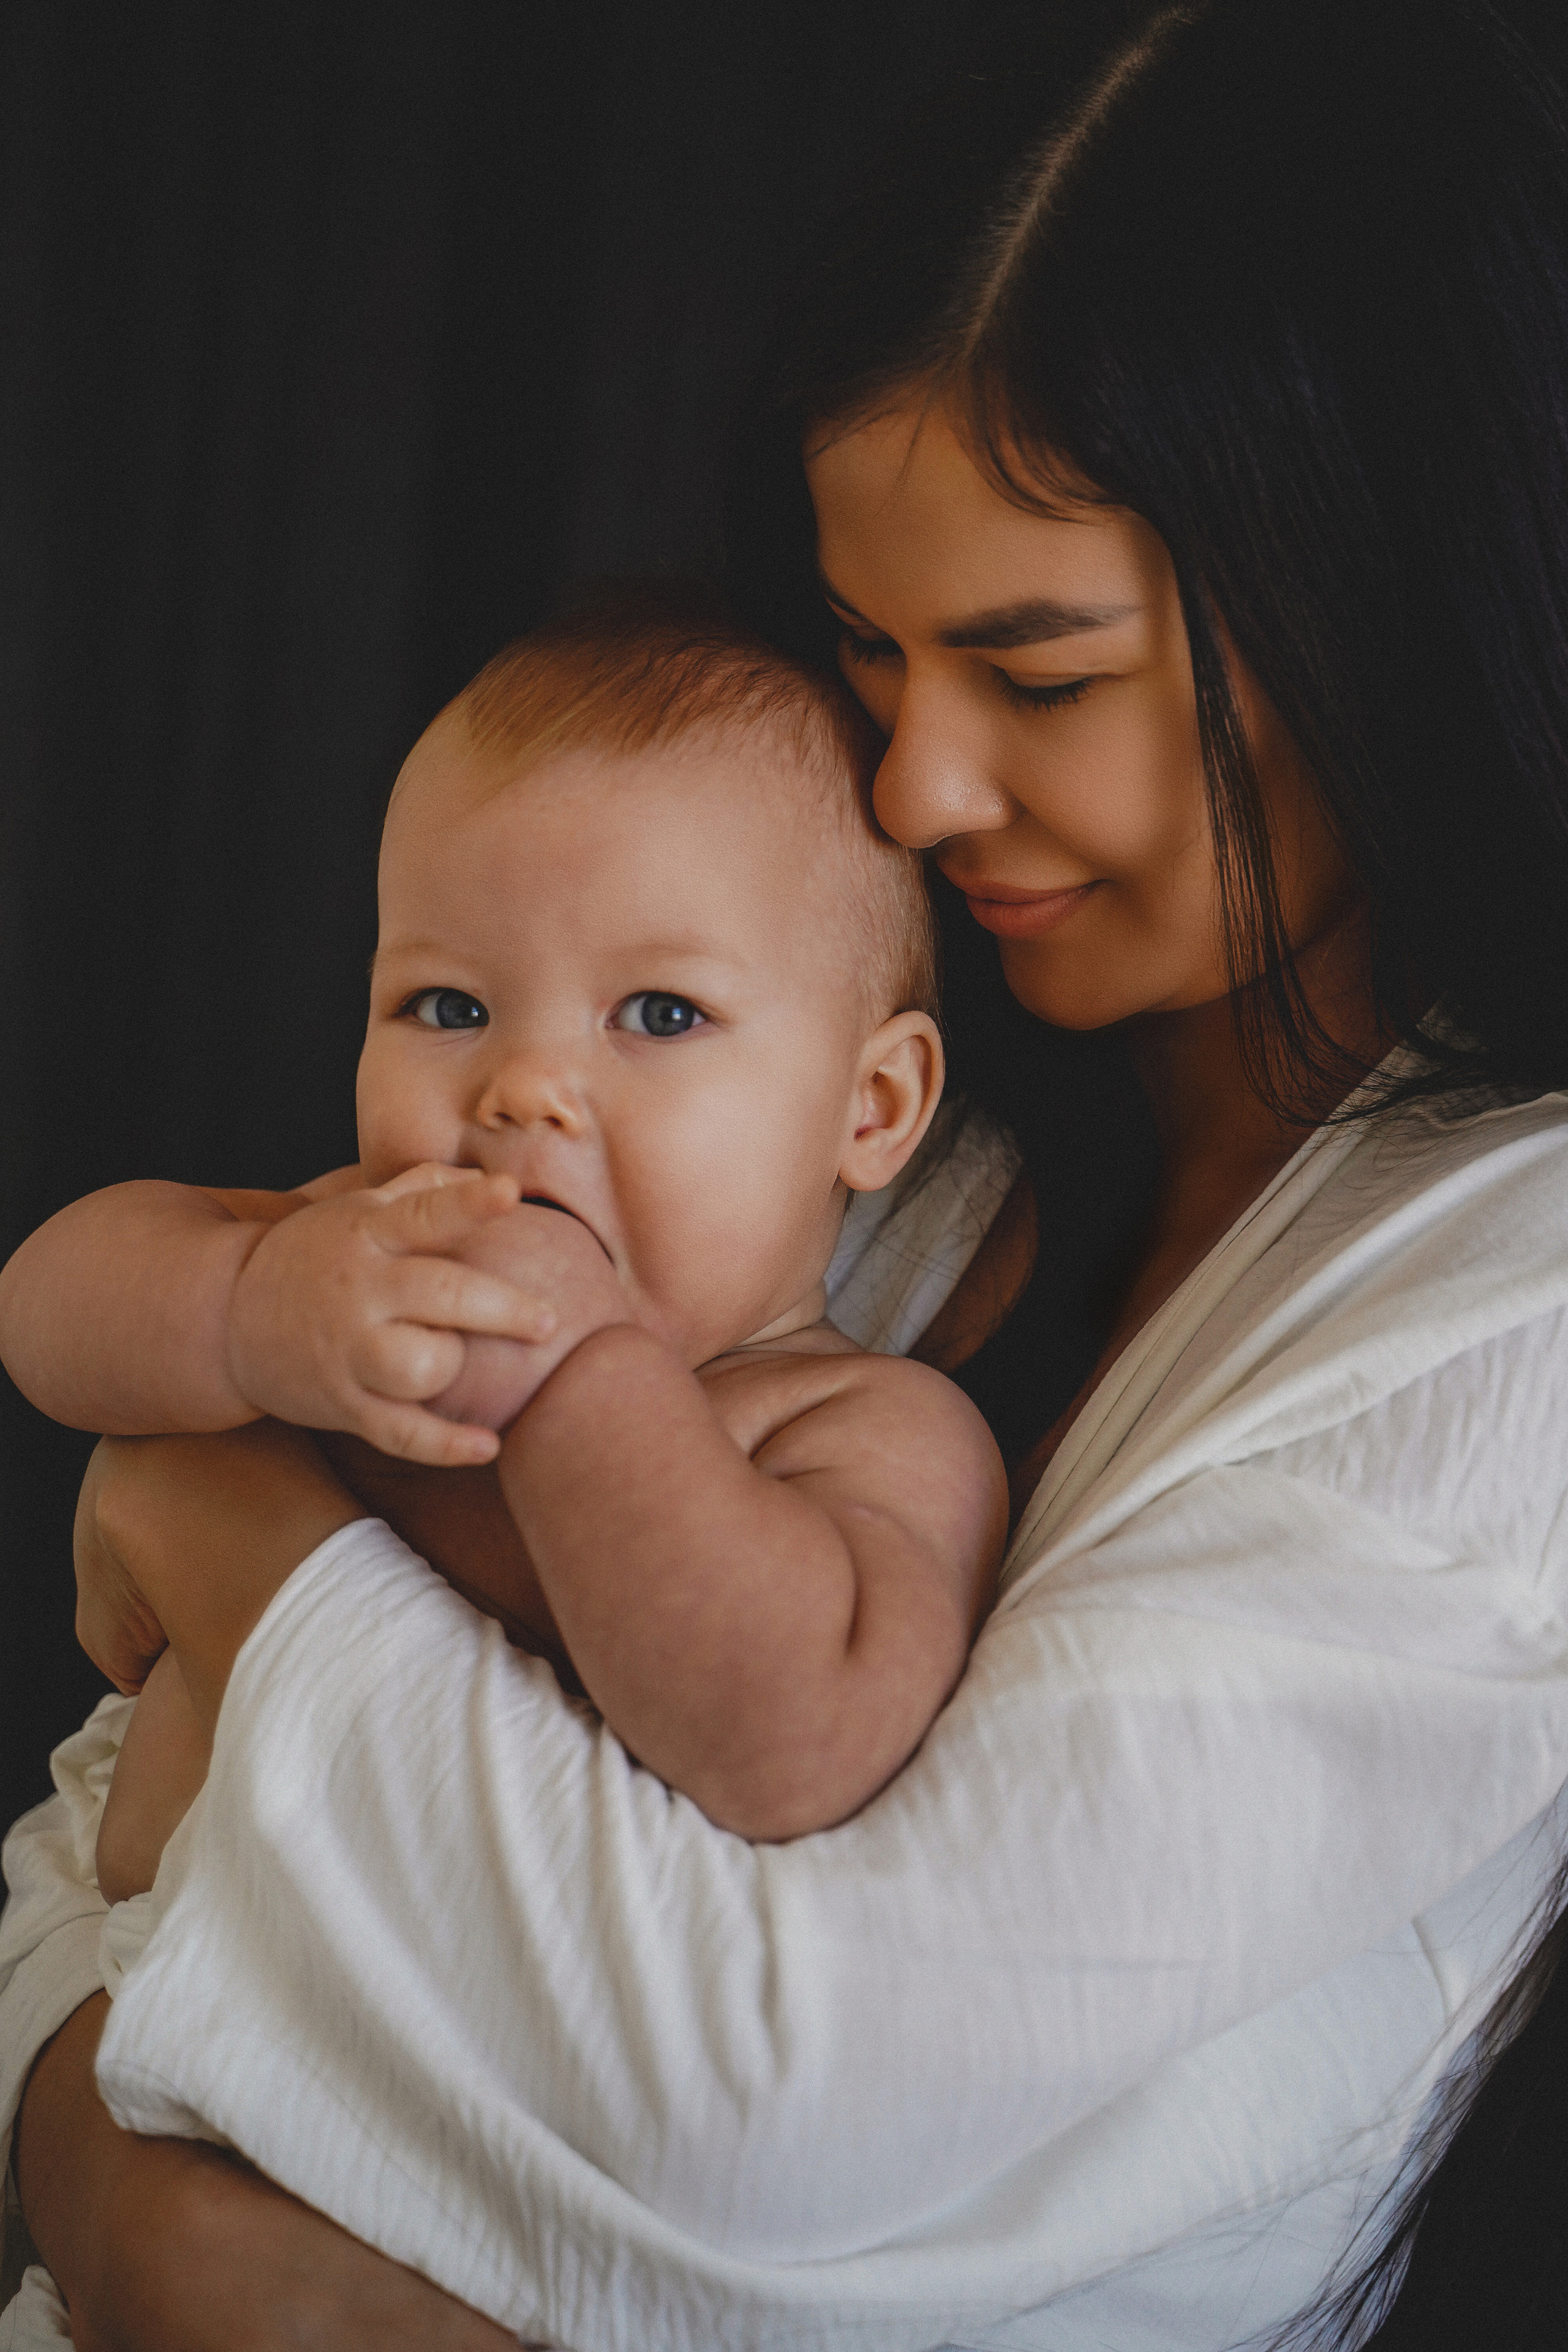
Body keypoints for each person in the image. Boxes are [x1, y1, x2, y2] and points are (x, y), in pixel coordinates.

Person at [6, 0, 1568, 2343]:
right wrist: (75, 2135)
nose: (913, 790)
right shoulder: (900, 1120)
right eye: (868, 650)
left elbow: (763, 2084)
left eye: (1042, 678)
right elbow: (92, 1821)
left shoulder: (1503, 1311)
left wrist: (220, 1516)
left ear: (1391, 611)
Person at [0, 603, 1006, 1893]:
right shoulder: (356, 1265)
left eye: (659, 1014)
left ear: (870, 1108)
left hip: (408, 2007)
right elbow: (41, 1310)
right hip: (130, 1957)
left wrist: (580, 1375)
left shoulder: (856, 1427)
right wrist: (240, 1311)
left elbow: (796, 1752)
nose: (522, 1085)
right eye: (448, 1006)